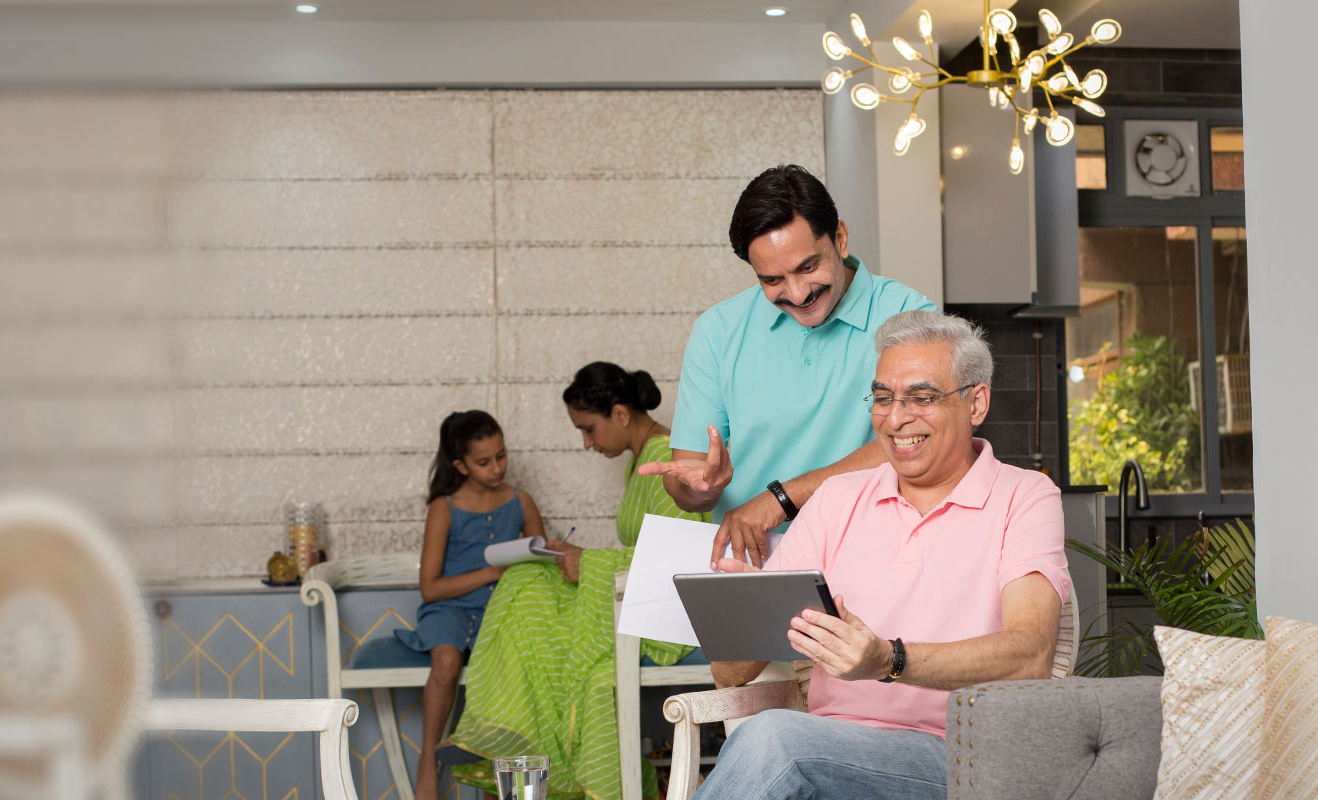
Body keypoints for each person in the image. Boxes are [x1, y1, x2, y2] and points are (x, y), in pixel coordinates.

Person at [694, 310, 1070, 800]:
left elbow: (1032, 655)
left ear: (976, 403)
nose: (895, 419)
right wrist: (738, 611)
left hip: (962, 756)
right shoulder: (837, 498)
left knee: (774, 740)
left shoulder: (1026, 496)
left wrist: (888, 660)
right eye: (883, 398)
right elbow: (730, 677)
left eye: (922, 397)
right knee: (775, 743)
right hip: (828, 747)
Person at [641, 165, 937, 570]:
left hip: (878, 560)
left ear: (840, 238)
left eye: (808, 267)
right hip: (751, 562)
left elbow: (923, 440)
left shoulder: (909, 315)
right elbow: (686, 479)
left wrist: (782, 499)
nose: (797, 294)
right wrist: (700, 487)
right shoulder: (717, 331)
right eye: (772, 280)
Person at [445, 363, 710, 799]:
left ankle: (514, 742)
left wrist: (589, 562)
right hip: (633, 595)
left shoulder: (666, 462)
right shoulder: (641, 460)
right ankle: (505, 737)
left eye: (589, 429)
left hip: (667, 613)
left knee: (528, 602)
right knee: (527, 580)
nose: (587, 443)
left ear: (621, 415)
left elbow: (680, 559)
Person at [404, 410, 545, 800]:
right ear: (460, 465)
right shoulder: (444, 507)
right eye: (484, 462)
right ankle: (426, 765)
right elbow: (430, 589)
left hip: (500, 612)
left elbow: (540, 567)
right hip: (447, 610)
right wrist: (491, 572)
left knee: (508, 670)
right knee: (446, 662)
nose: (497, 468)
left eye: (501, 456)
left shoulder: (520, 500)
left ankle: (496, 780)